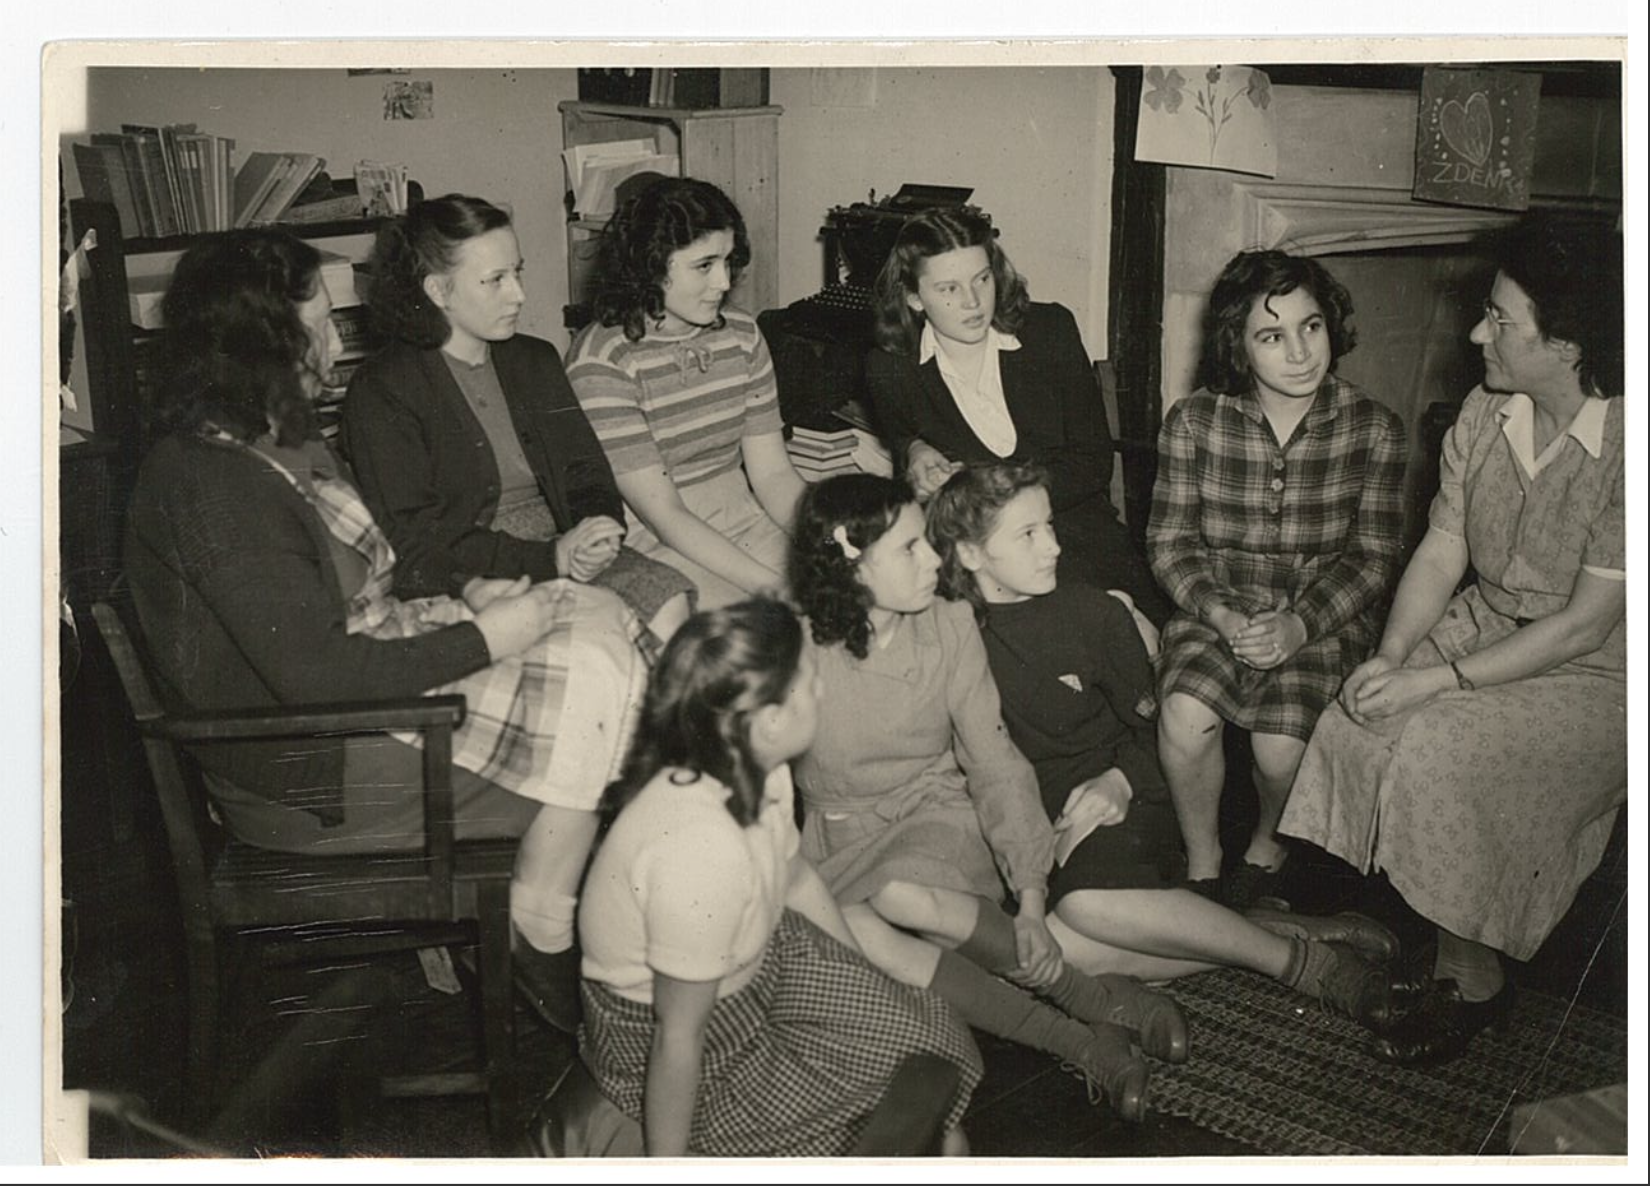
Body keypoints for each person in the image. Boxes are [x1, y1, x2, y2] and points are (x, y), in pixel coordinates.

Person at [124, 228, 646, 1032]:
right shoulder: (209, 482)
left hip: (359, 700)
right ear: (268, 341)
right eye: (322, 322)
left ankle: (531, 914)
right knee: (622, 734)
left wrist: (474, 594)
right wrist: (488, 638)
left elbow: (371, 567)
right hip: (313, 773)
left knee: (603, 621)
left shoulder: (278, 431)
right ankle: (543, 922)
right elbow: (316, 677)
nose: (339, 338)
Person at [1279, 218, 1626, 1065]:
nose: (1479, 333)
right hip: (1487, 625)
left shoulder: (1632, 444)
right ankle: (1419, 927)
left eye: (1502, 321)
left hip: (1598, 668)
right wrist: (1395, 657)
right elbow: (1443, 547)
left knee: (1439, 746)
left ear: (1571, 343)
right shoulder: (1485, 409)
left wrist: (1437, 685)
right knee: (1360, 714)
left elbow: (1585, 622)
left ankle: (1474, 979)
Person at [926, 461, 1398, 1023]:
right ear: (971, 554)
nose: (1052, 547)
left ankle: (1301, 964)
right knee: (1036, 951)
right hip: (1027, 821)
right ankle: (1251, 931)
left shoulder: (1092, 612)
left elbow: (1155, 733)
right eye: (1027, 534)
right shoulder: (946, 634)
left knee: (1084, 907)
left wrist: (1120, 781)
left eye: (1049, 526)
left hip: (1123, 803)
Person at [787, 473, 1187, 1124]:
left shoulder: (947, 622)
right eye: (911, 549)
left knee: (892, 894)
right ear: (850, 560)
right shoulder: (793, 643)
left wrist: (1030, 896)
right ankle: (1084, 1034)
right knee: (862, 928)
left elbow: (994, 760)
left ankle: (1085, 1001)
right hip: (838, 833)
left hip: (936, 813)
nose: (933, 561)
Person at [577, 598, 982, 1157]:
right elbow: (679, 1039)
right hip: (692, 1037)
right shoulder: (700, 853)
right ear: (768, 721)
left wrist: (870, 988)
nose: (822, 690)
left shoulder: (756, 768)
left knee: (934, 1042)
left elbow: (796, 882)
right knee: (881, 1129)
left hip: (762, 960)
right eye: (810, 681)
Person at [1147, 250, 1407, 910]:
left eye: (1311, 326)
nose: (1300, 353)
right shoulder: (1194, 422)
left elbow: (1373, 559)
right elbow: (1171, 545)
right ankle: (1202, 855)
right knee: (1184, 718)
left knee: (1278, 747)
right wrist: (1224, 617)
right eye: (1272, 335)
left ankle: (1268, 842)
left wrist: (1299, 625)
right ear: (1238, 344)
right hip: (1218, 607)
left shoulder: (1374, 428)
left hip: (1320, 616)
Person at [343, 193, 694, 648]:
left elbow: (587, 473)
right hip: (466, 572)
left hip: (566, 546)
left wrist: (598, 531)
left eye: (518, 272)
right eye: (495, 280)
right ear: (437, 291)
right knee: (595, 646)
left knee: (672, 609)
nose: (519, 294)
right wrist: (551, 559)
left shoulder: (536, 360)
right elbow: (416, 539)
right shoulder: (383, 390)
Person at [865, 205, 1171, 626]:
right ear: (914, 297)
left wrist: (991, 496)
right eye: (948, 289)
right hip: (976, 554)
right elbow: (902, 434)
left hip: (1071, 534)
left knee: (1105, 630)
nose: (972, 302)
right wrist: (914, 451)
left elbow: (1092, 463)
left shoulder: (1051, 332)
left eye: (982, 279)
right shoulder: (891, 368)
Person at [566, 177, 805, 609]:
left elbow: (773, 475)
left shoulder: (744, 335)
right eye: (704, 265)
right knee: (759, 635)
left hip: (746, 517)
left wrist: (832, 536)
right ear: (651, 264)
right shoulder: (602, 361)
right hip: (657, 539)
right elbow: (666, 517)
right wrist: (776, 589)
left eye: (728, 261)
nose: (723, 283)